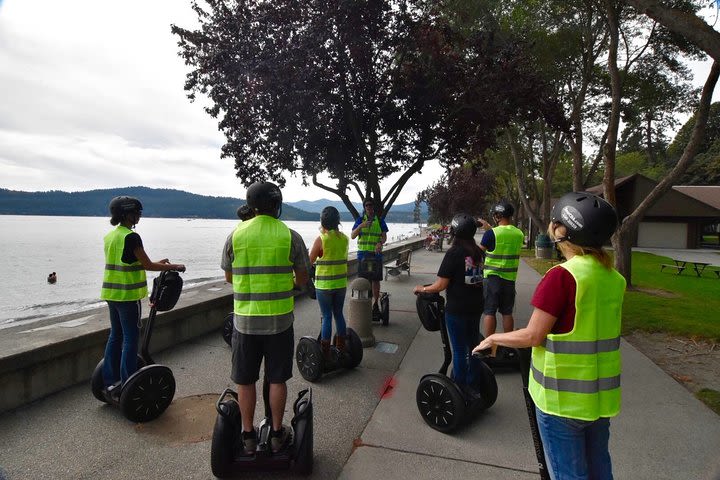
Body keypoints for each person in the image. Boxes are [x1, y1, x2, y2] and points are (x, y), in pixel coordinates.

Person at [473, 192, 625, 480]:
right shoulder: (614, 278)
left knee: (567, 474)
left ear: (564, 231)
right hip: (598, 400)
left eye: (555, 221)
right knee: (599, 470)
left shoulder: (562, 277)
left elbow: (533, 335)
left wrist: (493, 340)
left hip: (560, 401)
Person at [220, 181, 309, 456]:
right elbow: (303, 280)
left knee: (245, 380)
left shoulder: (235, 235)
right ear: (277, 204)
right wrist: (288, 286)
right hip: (280, 322)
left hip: (245, 321)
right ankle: (277, 434)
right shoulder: (290, 235)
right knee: (277, 378)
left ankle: (247, 436)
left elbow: (229, 277)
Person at [100, 196, 185, 400]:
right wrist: (173, 266)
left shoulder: (111, 236)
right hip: (128, 295)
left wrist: (159, 263)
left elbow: (130, 262)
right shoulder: (132, 237)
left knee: (115, 336)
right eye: (137, 213)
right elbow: (147, 265)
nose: (139, 216)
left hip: (111, 294)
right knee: (131, 338)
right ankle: (128, 382)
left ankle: (109, 380)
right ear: (127, 214)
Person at [413, 213, 484, 396]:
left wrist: (423, 289)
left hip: (458, 309)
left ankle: (459, 388)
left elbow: (441, 285)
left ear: (454, 231)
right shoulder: (477, 252)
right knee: (474, 347)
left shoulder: (454, 253)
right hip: (475, 307)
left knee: (459, 350)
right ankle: (473, 383)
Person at [478, 201, 525, 338]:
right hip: (509, 279)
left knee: (489, 312)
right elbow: (505, 236)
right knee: (507, 312)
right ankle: (508, 344)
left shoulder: (490, 233)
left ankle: (489, 345)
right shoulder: (519, 234)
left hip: (492, 278)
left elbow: (478, 253)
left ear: (497, 215)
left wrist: (488, 228)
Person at [309, 206, 349, 361]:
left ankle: (325, 354)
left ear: (322, 221)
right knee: (338, 314)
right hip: (340, 285)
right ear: (337, 221)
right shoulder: (344, 239)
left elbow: (309, 261)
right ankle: (341, 348)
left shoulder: (321, 239)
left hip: (324, 287)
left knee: (326, 316)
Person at [351, 198, 388, 317]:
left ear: (373, 207)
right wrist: (361, 226)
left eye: (370, 205)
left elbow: (384, 237)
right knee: (363, 281)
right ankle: (363, 305)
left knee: (375, 280)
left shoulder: (380, 220)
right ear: (364, 207)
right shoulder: (360, 220)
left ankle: (375, 304)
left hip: (375, 255)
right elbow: (352, 236)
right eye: (366, 205)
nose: (368, 207)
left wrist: (380, 243)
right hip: (363, 255)